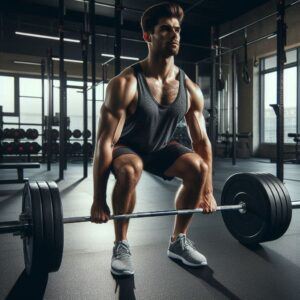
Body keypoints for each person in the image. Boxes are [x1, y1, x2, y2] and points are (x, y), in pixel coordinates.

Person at [91, 2, 217, 276]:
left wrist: (207, 190)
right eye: (165, 30)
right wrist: (98, 199)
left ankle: (178, 241)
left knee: (199, 167)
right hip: (128, 147)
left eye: (177, 30)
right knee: (129, 169)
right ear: (148, 36)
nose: (174, 35)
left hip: (161, 147)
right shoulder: (125, 84)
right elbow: (105, 142)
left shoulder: (190, 88)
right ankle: (121, 244)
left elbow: (202, 143)